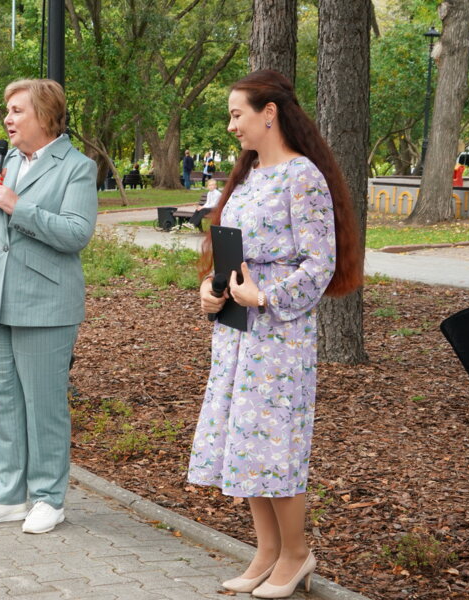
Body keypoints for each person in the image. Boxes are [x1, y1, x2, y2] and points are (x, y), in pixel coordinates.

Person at [189, 70, 362, 598]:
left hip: (279, 335)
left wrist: (267, 297)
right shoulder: (246, 177)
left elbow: (320, 262)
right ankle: (265, 552)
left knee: (275, 444)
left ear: (270, 113)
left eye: (237, 113)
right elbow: (228, 251)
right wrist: (210, 289)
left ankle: (296, 555)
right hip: (236, 330)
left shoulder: (301, 176)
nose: (231, 124)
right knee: (244, 442)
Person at [0, 78, 97, 535]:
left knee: (44, 405)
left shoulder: (76, 167)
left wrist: (18, 206)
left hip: (45, 303)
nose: (7, 119)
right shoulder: (5, 161)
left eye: (17, 110)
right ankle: (6, 494)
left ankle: (48, 498)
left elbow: (77, 232)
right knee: (4, 401)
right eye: (7, 111)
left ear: (44, 115)